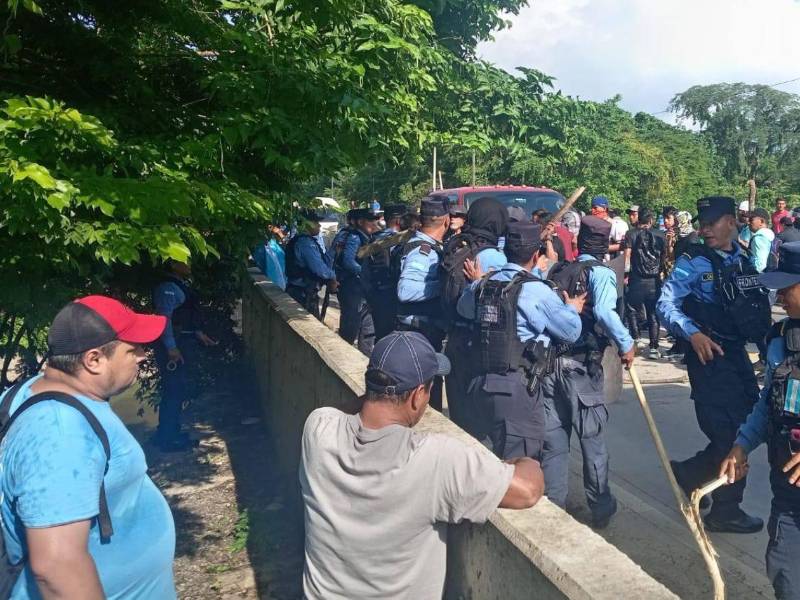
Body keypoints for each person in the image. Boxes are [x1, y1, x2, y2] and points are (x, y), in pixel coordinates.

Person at [299, 331, 544, 600]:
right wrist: (523, 460)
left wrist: (376, 394)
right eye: (429, 388)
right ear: (418, 396)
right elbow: (528, 489)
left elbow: (348, 411)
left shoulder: (317, 428)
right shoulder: (435, 459)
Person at [0, 296, 176, 599]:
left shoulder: (34, 391)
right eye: (132, 349)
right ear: (93, 360)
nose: (144, 355)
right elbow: (57, 567)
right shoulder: (59, 432)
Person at [657, 196, 771, 533]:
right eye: (702, 222)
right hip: (708, 355)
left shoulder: (743, 258)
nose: (704, 229)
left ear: (731, 222)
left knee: (750, 424)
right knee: (728, 432)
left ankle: (692, 473)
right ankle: (726, 508)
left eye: (712, 222)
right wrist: (692, 334)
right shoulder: (693, 260)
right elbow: (665, 304)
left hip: (737, 355)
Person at [457, 222, 585, 458]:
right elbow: (571, 332)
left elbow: (463, 309)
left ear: (505, 252)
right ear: (536, 255)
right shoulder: (538, 291)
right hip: (515, 389)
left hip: (478, 382)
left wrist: (477, 281)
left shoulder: (483, 284)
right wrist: (571, 308)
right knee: (519, 466)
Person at [540, 216, 635, 528]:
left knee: (554, 442)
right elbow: (606, 312)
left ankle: (554, 505)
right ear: (604, 248)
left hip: (549, 366)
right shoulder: (601, 273)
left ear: (580, 244)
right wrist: (626, 344)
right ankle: (600, 506)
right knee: (591, 441)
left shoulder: (560, 270)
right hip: (581, 367)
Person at [718, 242, 800, 599]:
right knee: (785, 569)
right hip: (789, 489)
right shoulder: (782, 341)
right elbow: (770, 403)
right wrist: (742, 444)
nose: (779, 297)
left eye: (787, 287)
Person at [441, 198, 508, 432]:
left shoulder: (456, 245)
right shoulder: (493, 257)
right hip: (480, 345)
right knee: (482, 424)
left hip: (454, 339)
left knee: (460, 419)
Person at [153, 259, 218, 451]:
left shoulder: (179, 285)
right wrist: (171, 348)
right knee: (173, 390)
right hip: (174, 346)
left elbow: (186, 314)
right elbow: (164, 320)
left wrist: (198, 332)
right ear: (173, 264)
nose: (189, 264)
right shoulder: (167, 288)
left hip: (183, 341)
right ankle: (167, 438)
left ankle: (171, 431)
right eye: (185, 261)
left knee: (178, 389)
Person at [397, 197, 450, 410]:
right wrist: (444, 286)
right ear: (446, 221)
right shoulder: (423, 251)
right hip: (419, 331)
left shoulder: (430, 246)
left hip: (424, 330)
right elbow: (405, 291)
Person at [335, 208, 381, 355]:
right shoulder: (355, 237)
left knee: (367, 329)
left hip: (362, 290)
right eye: (371, 220)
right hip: (352, 289)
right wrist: (364, 274)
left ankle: (364, 358)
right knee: (351, 327)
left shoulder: (367, 236)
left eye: (376, 220)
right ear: (361, 222)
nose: (375, 223)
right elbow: (348, 261)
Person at [625, 209, 666, 358]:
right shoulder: (661, 235)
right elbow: (664, 256)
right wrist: (660, 271)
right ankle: (654, 347)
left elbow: (627, 256)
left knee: (631, 309)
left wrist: (625, 273)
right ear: (651, 221)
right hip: (654, 280)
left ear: (638, 219)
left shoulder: (631, 234)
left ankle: (636, 339)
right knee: (653, 313)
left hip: (636, 278)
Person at [364, 204, 407, 341]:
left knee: (381, 335)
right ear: (399, 221)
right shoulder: (401, 240)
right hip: (393, 295)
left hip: (376, 293)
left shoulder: (373, 239)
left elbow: (365, 270)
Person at [285, 211, 338, 319]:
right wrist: (332, 278)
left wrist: (334, 250)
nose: (319, 225)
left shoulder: (307, 241)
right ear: (306, 224)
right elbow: (319, 269)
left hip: (303, 291)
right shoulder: (305, 243)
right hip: (302, 293)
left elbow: (324, 262)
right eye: (316, 222)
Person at [253, 224, 287, 290]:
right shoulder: (261, 247)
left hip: (281, 285)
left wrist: (281, 235)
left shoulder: (274, 245)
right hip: (271, 286)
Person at [749, 207, 776, 273]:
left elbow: (760, 265)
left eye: (751, 219)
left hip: (763, 278)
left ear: (761, 221)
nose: (748, 222)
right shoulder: (769, 234)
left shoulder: (760, 238)